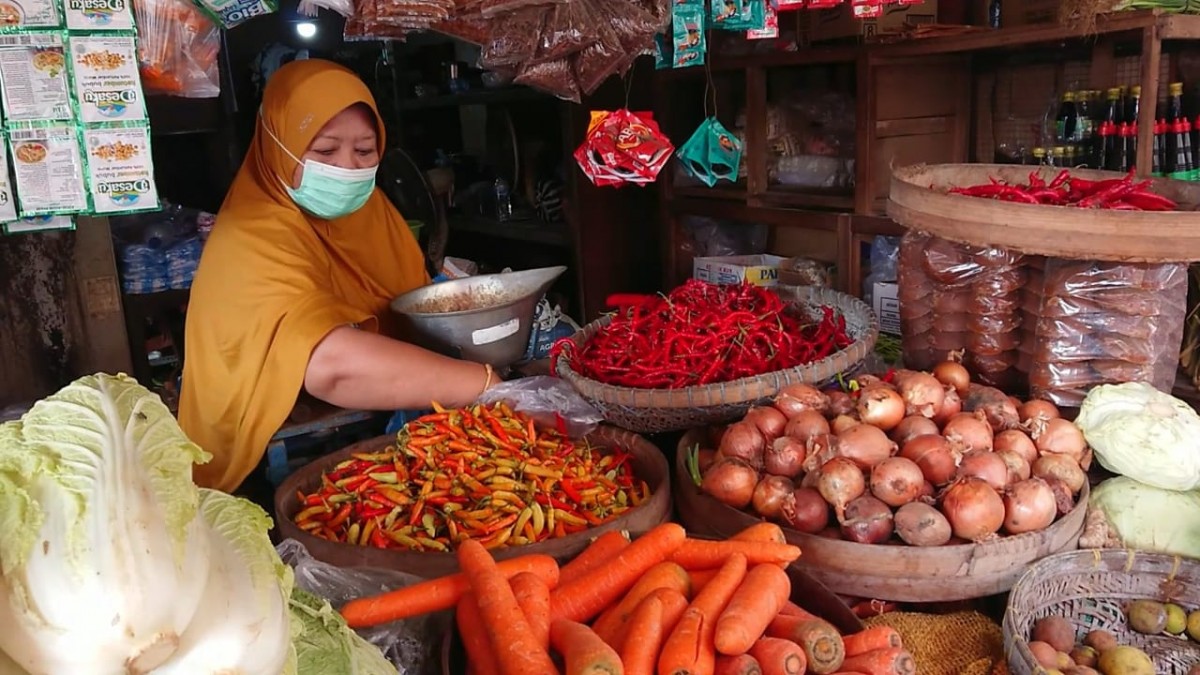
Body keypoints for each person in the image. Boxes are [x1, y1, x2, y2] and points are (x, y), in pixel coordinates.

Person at [179, 59, 497, 493]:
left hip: (361, 425)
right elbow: (329, 365)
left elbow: (414, 301)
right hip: (258, 450)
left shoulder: (370, 210)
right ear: (278, 144)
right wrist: (482, 383)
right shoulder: (252, 235)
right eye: (325, 151)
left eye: (365, 151)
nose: (348, 167)